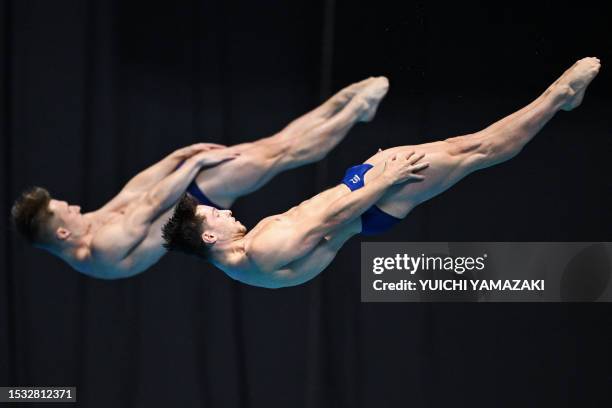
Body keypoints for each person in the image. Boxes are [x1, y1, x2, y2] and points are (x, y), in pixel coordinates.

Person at [162, 57, 601, 289]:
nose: (221, 211)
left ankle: (559, 101)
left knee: (462, 149)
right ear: (208, 238)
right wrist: (384, 181)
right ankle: (558, 96)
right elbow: (332, 221)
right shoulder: (261, 251)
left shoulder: (244, 255)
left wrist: (370, 177)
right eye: (213, 216)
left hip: (362, 189)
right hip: (375, 202)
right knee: (473, 150)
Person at [10, 77, 390, 278]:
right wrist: (190, 167)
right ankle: (355, 110)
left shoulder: (87, 227)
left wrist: (175, 158)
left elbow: (132, 194)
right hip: (194, 200)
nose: (76, 205)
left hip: (184, 191)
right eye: (67, 209)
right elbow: (150, 204)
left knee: (273, 147)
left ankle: (345, 103)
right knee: (280, 154)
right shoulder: (102, 251)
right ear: (62, 232)